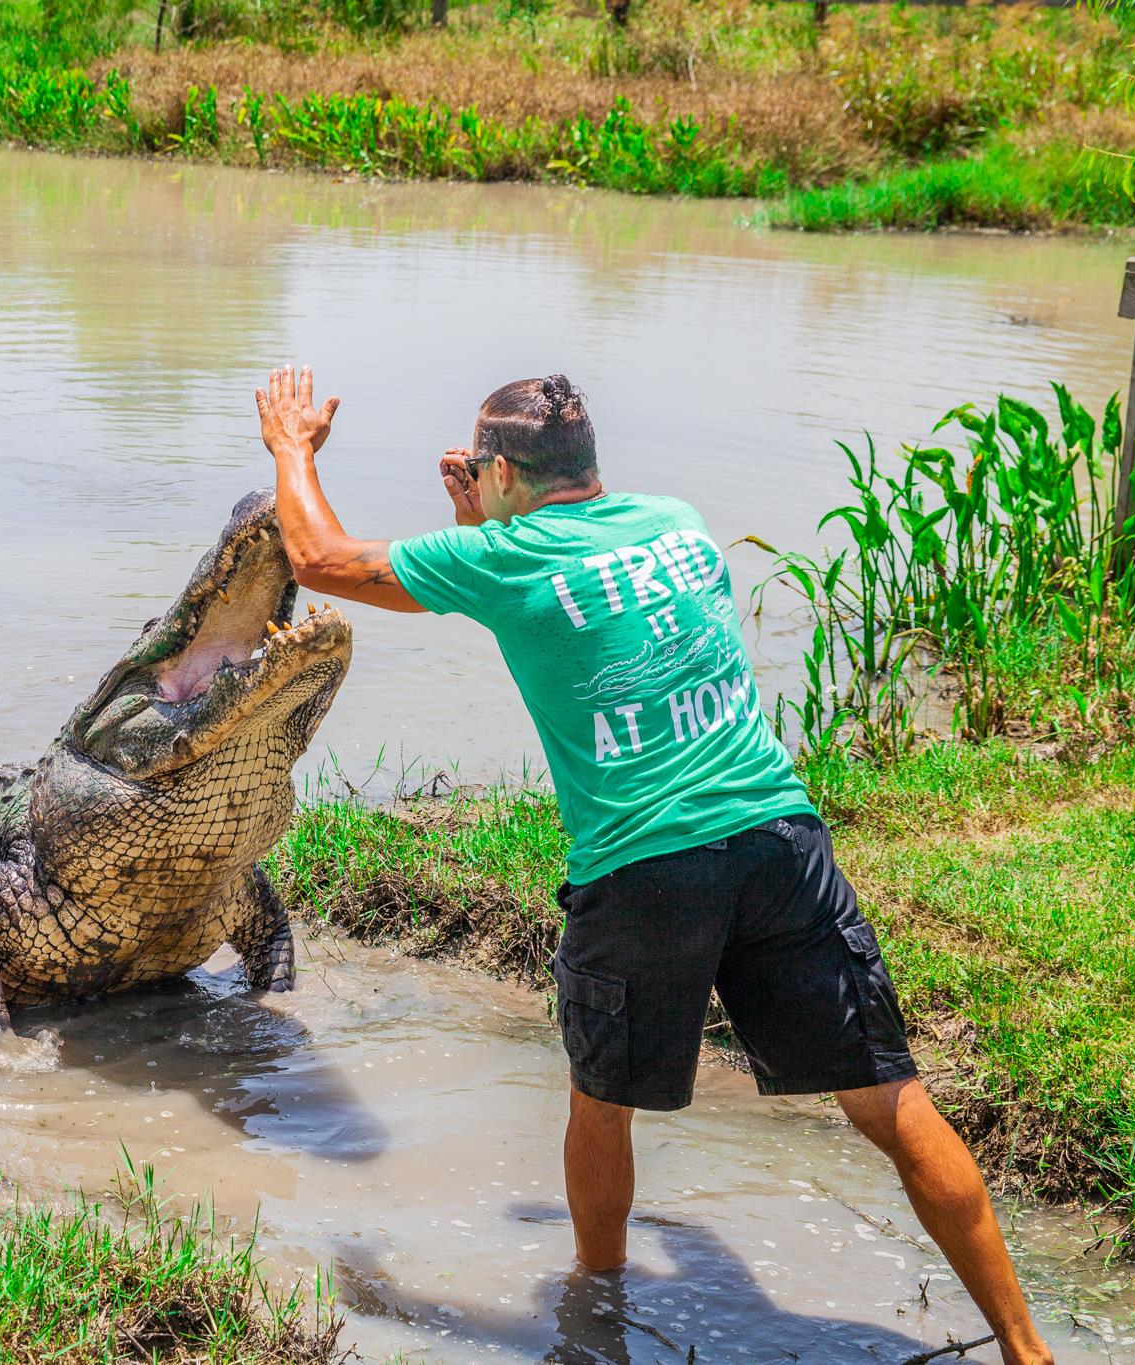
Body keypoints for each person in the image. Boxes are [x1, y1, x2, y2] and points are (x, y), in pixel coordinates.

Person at [251, 365, 1054, 1365]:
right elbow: (561, 597)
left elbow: (319, 558)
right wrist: (481, 520)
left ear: (496, 470)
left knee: (600, 1102)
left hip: (641, 868)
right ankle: (1027, 1351)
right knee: (887, 1099)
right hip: (776, 839)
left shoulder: (502, 558)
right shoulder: (673, 522)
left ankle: (595, 1324)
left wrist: (291, 445)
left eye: (479, 468)